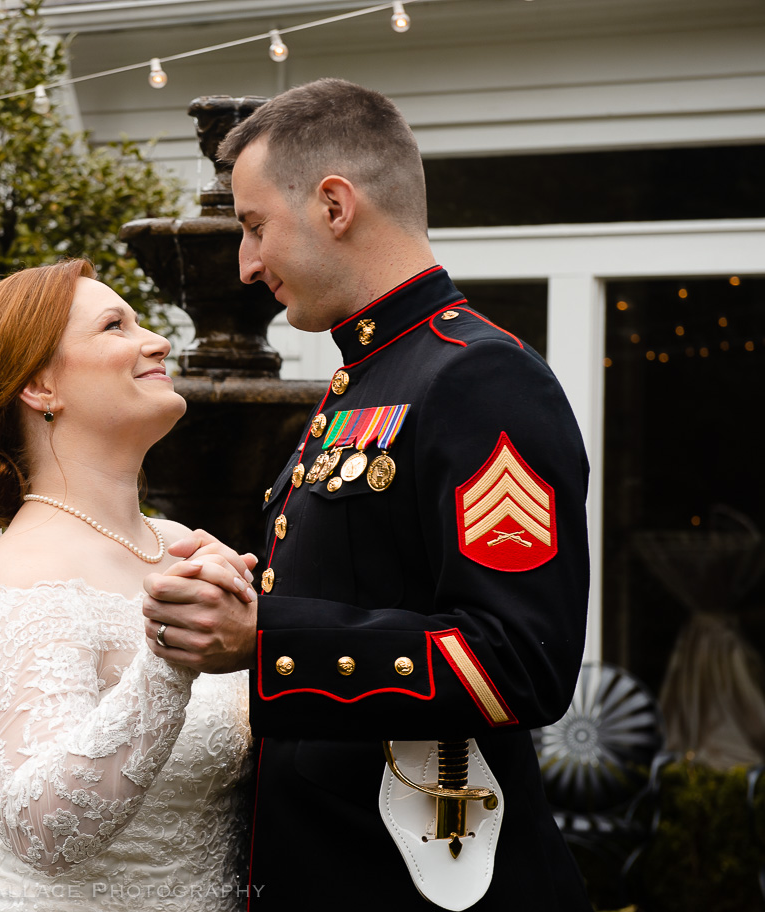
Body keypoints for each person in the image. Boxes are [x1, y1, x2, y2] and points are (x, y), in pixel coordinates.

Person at [140, 79, 594, 910]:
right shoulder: (363, 380)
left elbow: (518, 661)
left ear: (335, 204)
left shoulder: (480, 378)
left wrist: (266, 637)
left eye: (254, 227)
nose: (246, 264)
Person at [0, 259, 261, 912]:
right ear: (39, 386)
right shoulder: (20, 579)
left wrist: (254, 628)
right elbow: (43, 830)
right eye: (115, 326)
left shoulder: (180, 545)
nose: (158, 341)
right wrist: (169, 660)